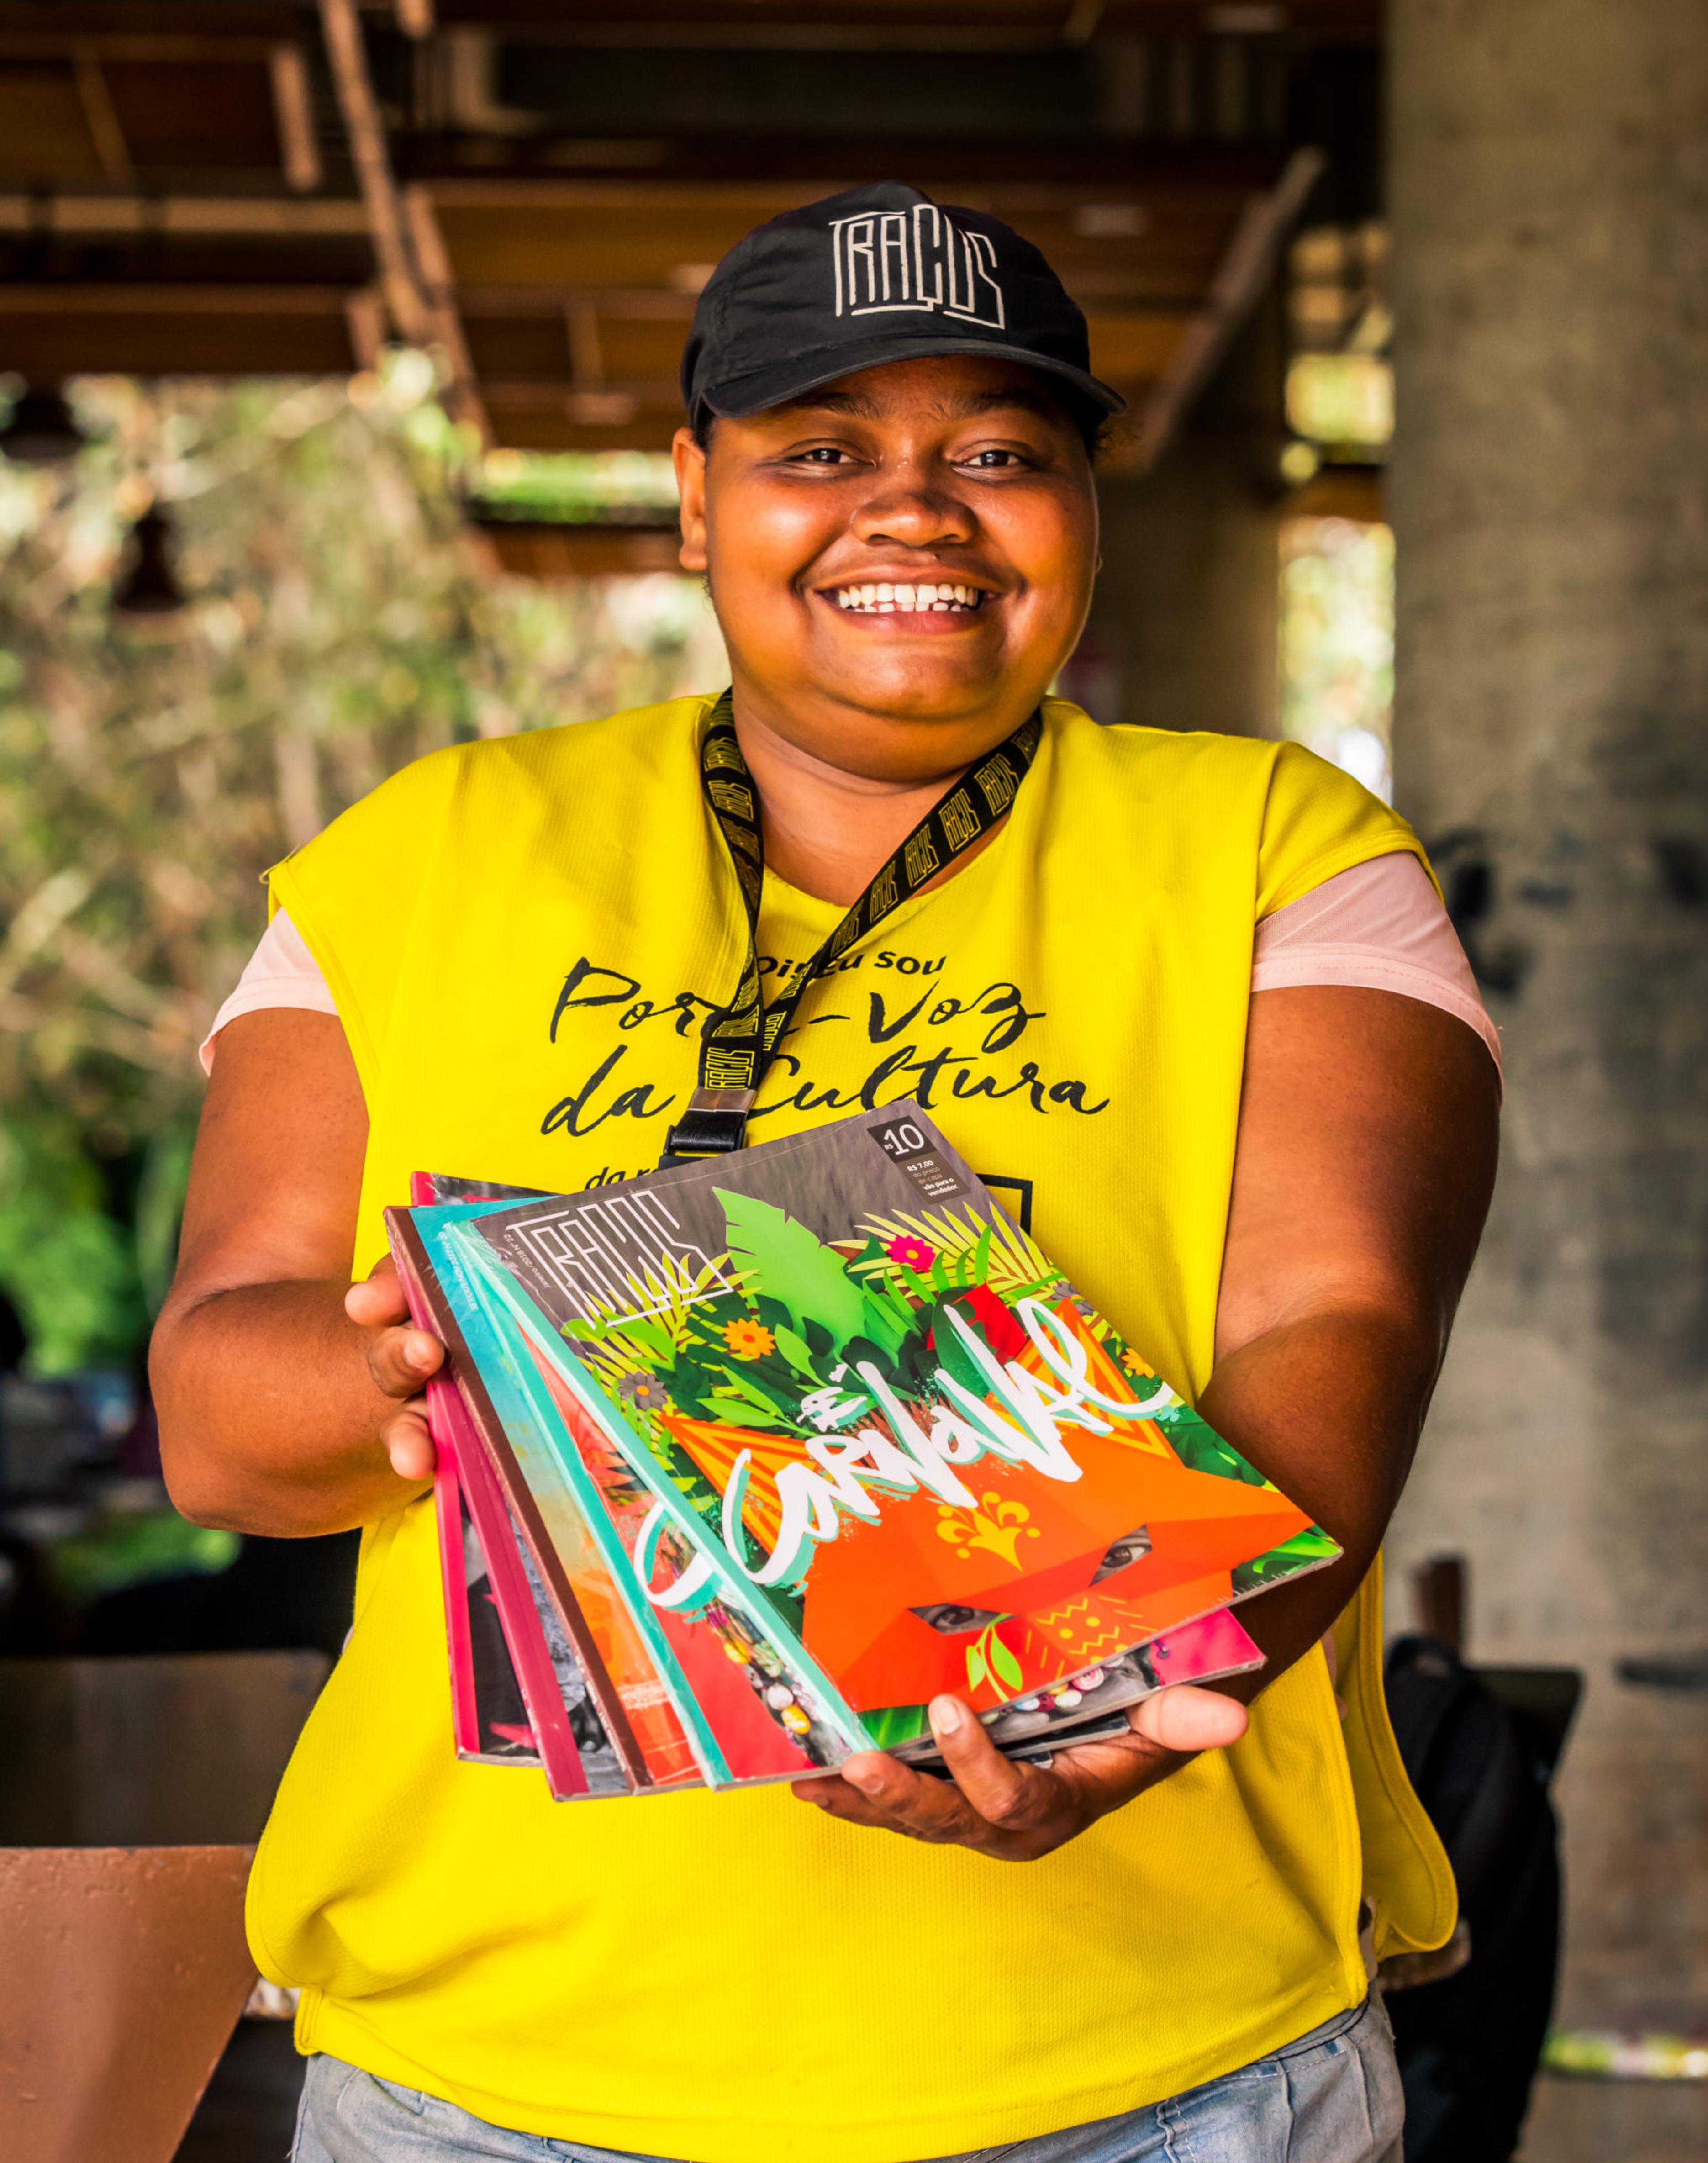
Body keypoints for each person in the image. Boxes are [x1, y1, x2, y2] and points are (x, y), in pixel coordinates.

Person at [152, 184, 1499, 2163]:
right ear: (696, 497)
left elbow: (1339, 1314)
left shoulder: (1278, 850)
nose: (917, 509)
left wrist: (1121, 1697)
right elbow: (213, 1414)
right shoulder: (422, 856)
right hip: (491, 2081)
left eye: (999, 453)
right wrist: (464, 1365)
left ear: (1081, 510)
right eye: (823, 449)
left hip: (1156, 2072)